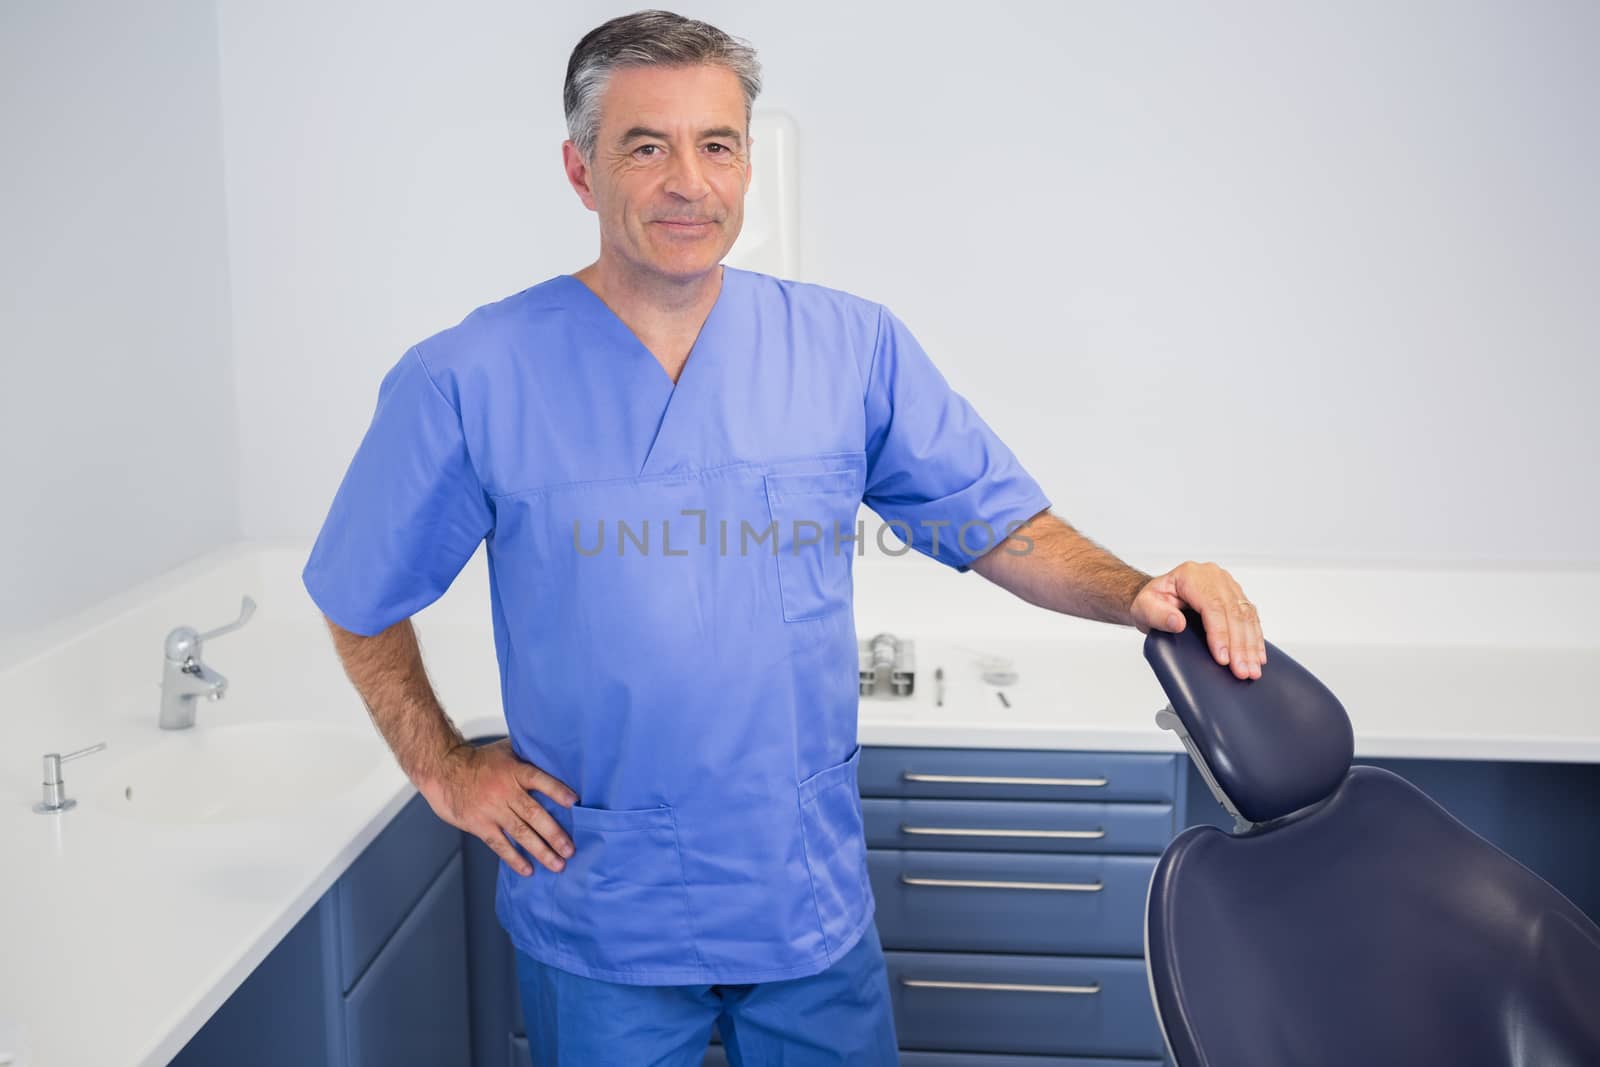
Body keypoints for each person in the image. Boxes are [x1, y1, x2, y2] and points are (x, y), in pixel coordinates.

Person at [302, 9, 1269, 1065]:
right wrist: (441, 763)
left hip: (801, 895)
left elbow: (999, 527)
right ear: (581, 171)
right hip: (603, 900)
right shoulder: (468, 376)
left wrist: (1135, 589)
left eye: (716, 144)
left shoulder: (847, 348)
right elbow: (360, 590)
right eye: (645, 145)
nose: (688, 181)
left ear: (747, 163)